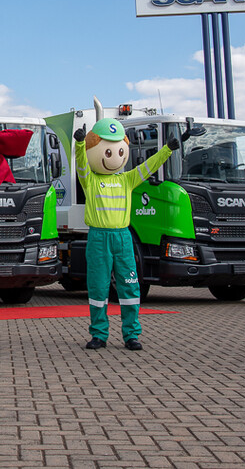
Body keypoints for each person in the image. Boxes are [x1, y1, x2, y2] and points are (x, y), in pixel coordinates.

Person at [74, 117, 181, 351]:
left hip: (123, 238)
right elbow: (81, 165)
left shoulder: (127, 179)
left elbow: (149, 166)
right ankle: (99, 334)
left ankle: (131, 335)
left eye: (119, 150)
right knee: (98, 288)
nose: (115, 156)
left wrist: (167, 150)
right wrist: (80, 145)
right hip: (99, 239)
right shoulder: (90, 180)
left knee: (130, 287)